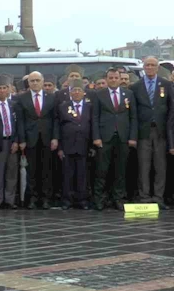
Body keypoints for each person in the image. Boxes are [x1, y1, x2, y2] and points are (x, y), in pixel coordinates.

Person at [92, 68, 137, 211]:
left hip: (123, 137)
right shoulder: (99, 94)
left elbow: (133, 117)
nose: (113, 80)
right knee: (102, 170)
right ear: (106, 79)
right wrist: (96, 137)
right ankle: (99, 199)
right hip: (105, 138)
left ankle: (119, 198)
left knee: (121, 170)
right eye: (110, 78)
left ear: (119, 78)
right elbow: (94, 118)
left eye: (116, 78)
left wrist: (132, 137)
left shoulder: (128, 94)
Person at [131, 57, 170, 209]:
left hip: (160, 131)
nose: (150, 68)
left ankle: (158, 197)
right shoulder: (136, 86)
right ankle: (144, 196)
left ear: (157, 67)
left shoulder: (166, 84)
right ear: (143, 67)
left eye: (153, 65)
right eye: (147, 65)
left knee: (160, 166)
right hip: (143, 132)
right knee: (144, 166)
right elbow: (133, 113)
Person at [16, 71, 56, 209]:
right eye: (32, 81)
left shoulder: (51, 97)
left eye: (37, 80)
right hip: (30, 138)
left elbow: (55, 119)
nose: (35, 83)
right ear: (28, 83)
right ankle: (32, 198)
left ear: (42, 81)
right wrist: (22, 140)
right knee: (31, 170)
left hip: (47, 138)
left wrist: (55, 138)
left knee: (46, 170)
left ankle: (45, 198)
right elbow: (20, 121)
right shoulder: (22, 98)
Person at [53, 79, 91, 210]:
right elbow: (58, 126)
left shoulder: (89, 107)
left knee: (82, 175)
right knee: (67, 175)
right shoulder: (63, 107)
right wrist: (59, 146)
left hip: (84, 145)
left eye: (79, 90)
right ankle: (67, 200)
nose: (76, 92)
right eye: (73, 90)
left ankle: (82, 200)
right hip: (67, 146)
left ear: (84, 93)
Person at [0, 75, 19, 210]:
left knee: (11, 172)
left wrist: (17, 141)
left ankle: (10, 199)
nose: (2, 91)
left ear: (9, 89)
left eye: (4, 88)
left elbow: (18, 124)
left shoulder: (13, 105)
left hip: (11, 142)